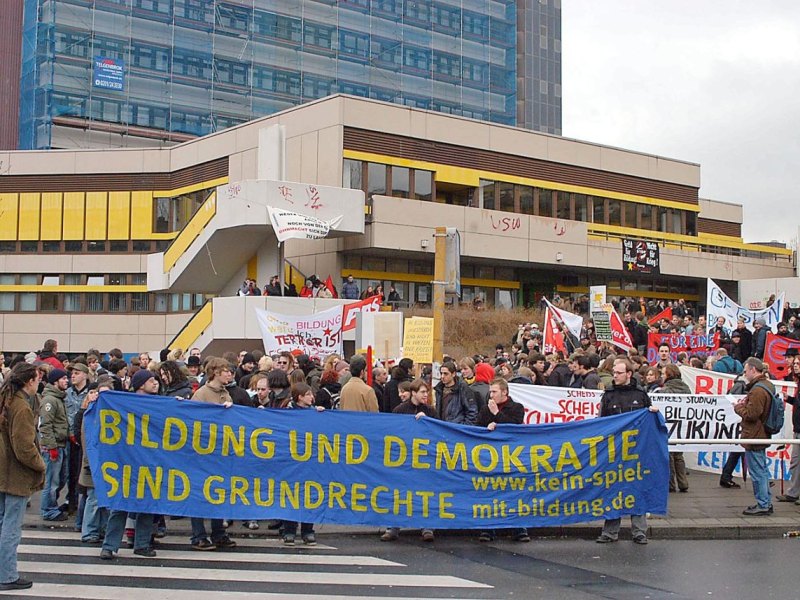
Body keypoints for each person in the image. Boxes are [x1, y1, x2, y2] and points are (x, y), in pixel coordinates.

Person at [100, 369, 161, 559]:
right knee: (120, 504)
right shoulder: (125, 403)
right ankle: (109, 545)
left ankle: (141, 544)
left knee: (147, 504)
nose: (156, 383)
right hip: (128, 461)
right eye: (152, 381)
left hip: (150, 461)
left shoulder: (161, 403)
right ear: (141, 384)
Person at [595, 358, 657, 545]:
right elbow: (601, 423)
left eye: (619, 373)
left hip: (636, 451)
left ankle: (639, 531)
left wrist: (653, 413)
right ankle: (610, 531)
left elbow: (648, 418)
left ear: (628, 374)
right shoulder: (608, 395)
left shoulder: (640, 394)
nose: (614, 375)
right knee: (614, 490)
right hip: (614, 451)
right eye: (614, 372)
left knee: (637, 489)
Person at [0, 363, 46, 591]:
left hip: (2, 472)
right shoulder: (21, 408)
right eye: (37, 379)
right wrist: (40, 464)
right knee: (11, 528)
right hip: (15, 475)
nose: (39, 383)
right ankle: (7, 575)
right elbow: (24, 448)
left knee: (2, 524)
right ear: (30, 381)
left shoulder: (5, 401)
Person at [188, 358, 238, 550]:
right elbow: (195, 423)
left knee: (220, 493)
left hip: (222, 453)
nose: (230, 374)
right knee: (199, 494)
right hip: (203, 454)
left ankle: (219, 533)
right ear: (216, 372)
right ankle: (198, 535)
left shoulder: (226, 394)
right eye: (226, 371)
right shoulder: (201, 395)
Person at [381, 379, 437, 543]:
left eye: (427, 392)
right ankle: (393, 527)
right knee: (399, 493)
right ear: (413, 393)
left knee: (424, 493)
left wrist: (428, 421)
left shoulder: (430, 411)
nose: (426, 395)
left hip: (424, 459)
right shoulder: (400, 410)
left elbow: (438, 432)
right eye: (422, 392)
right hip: (404, 460)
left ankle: (427, 526)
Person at [476, 378, 529, 543]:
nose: (491, 395)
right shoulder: (485, 409)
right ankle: (488, 528)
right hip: (491, 457)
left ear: (504, 392)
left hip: (511, 456)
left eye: (494, 392)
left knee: (513, 492)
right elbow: (478, 428)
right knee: (490, 492)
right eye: (490, 392)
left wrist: (497, 415)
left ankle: (518, 528)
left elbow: (514, 427)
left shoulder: (517, 408)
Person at [281, 384, 324, 545]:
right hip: (291, 460)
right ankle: (289, 531)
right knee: (290, 496)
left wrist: (321, 414)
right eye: (308, 394)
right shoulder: (287, 413)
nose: (311, 397)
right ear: (299, 397)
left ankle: (307, 530)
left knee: (309, 496)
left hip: (309, 461)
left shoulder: (313, 412)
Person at [734, 357, 775, 515]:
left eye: (745, 371)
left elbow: (751, 414)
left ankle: (763, 504)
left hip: (755, 434)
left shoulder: (758, 390)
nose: (745, 375)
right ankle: (765, 502)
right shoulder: (767, 385)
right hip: (761, 433)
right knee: (762, 470)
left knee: (758, 472)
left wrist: (738, 407)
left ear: (753, 370)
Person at [39, 368, 70, 521]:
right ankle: (48, 509)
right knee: (51, 480)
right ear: (55, 381)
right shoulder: (50, 400)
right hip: (54, 446)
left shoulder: (58, 398)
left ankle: (52, 505)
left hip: (61, 444)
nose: (67, 381)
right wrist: (51, 447)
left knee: (60, 479)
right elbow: (45, 425)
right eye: (63, 379)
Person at [655, 364, 690, 493]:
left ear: (669, 375)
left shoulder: (665, 391)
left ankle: (670, 484)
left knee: (669, 454)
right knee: (679, 455)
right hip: (681, 425)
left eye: (663, 374)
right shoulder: (686, 388)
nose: (662, 376)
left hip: (668, 425)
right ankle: (683, 482)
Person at [777, 357, 800, 504]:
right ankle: (793, 492)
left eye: (798, 364)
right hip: (798, 427)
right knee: (796, 462)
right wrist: (790, 399)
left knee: (796, 462)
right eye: (795, 363)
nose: (795, 366)